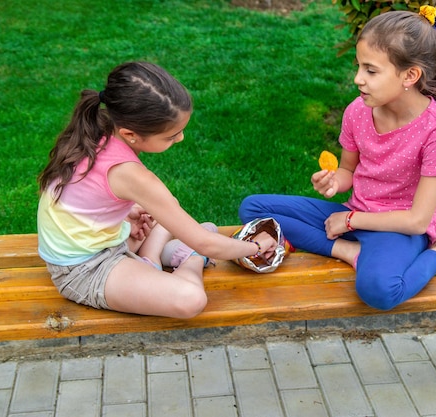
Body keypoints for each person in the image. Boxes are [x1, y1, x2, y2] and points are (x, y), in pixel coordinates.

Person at [239, 7, 436, 311]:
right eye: (358, 66)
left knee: (379, 291)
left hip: (399, 230)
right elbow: (349, 170)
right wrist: (335, 182)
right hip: (353, 217)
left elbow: (417, 220)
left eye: (371, 71)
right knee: (253, 208)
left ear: (410, 75)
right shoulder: (357, 111)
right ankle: (348, 251)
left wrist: (350, 219)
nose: (358, 79)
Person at [37, 61, 278, 318]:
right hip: (83, 269)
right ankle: (187, 258)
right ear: (130, 134)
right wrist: (255, 246)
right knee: (190, 299)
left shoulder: (98, 128)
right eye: (171, 136)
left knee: (164, 208)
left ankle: (151, 258)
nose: (180, 138)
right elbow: (207, 243)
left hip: (104, 238)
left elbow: (88, 196)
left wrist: (126, 212)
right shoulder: (131, 175)